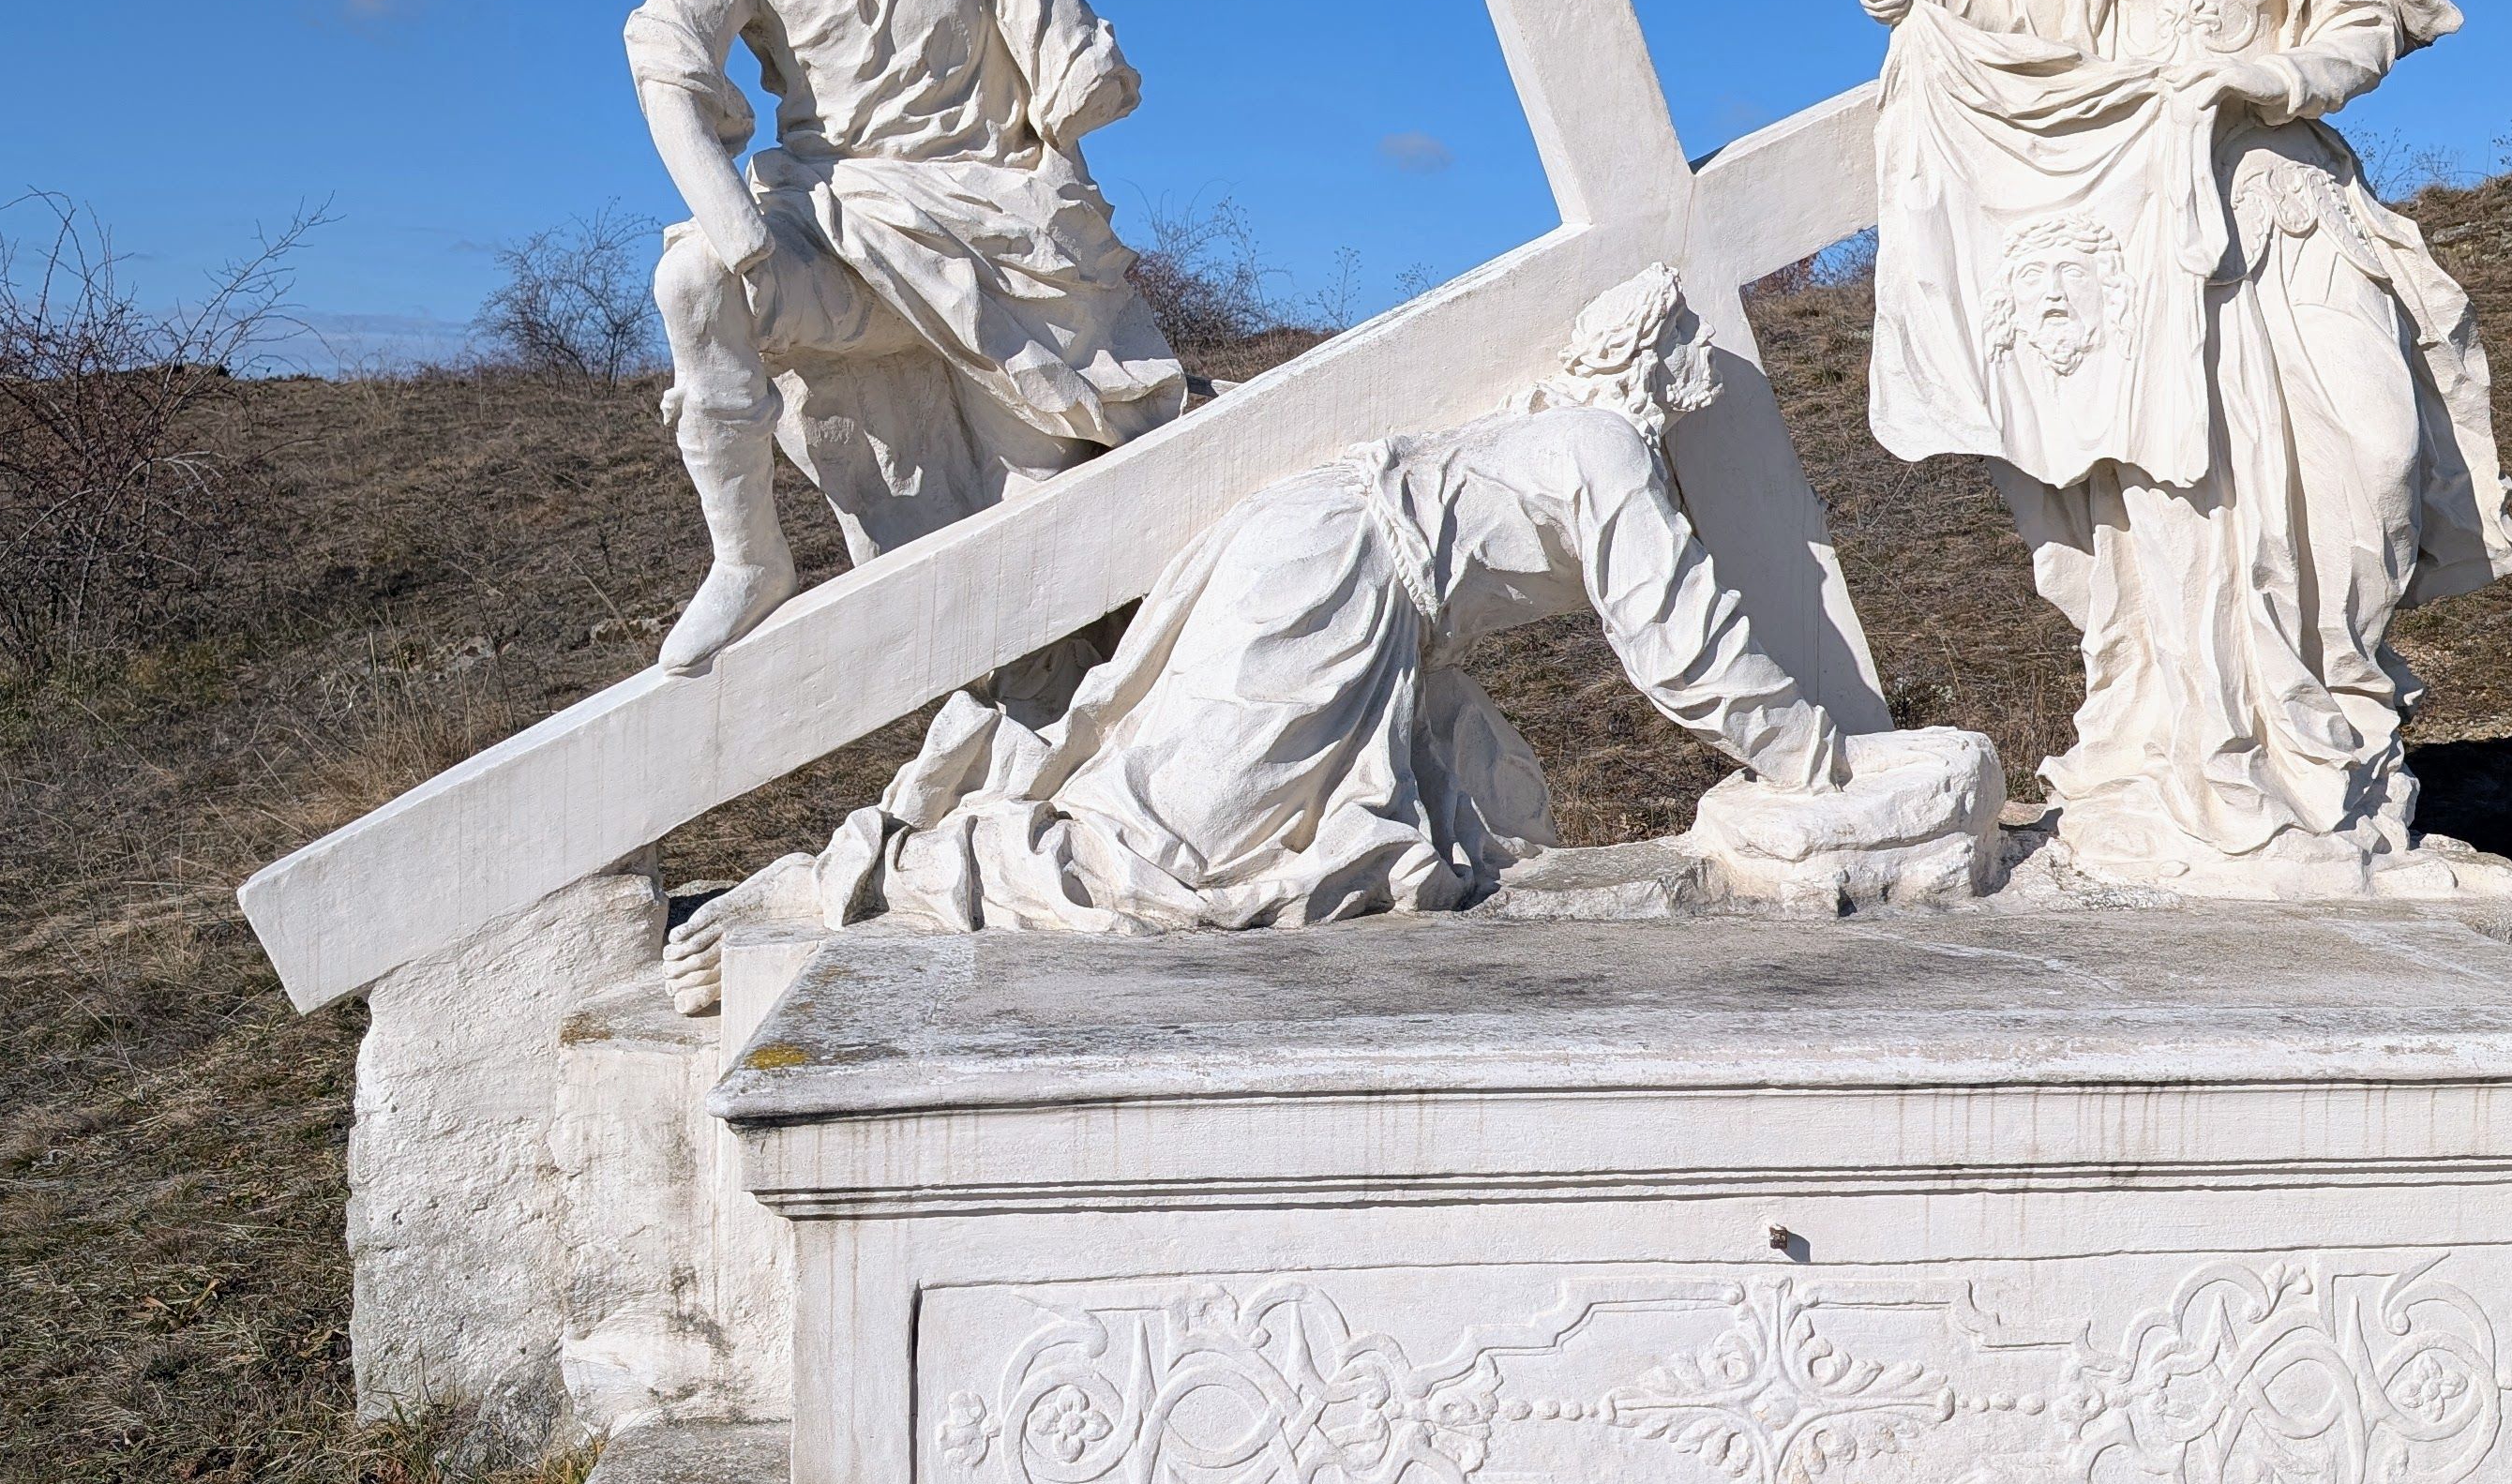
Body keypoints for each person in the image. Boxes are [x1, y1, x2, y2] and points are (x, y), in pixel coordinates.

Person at [664, 267, 1849, 983]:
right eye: (1685, 381)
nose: (1691, 410)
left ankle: (904, 864)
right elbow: (1681, 646)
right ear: (1650, 375)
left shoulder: (1541, 430)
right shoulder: (1603, 449)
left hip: (1348, 579)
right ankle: (839, 884)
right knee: (1162, 861)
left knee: (1487, 817)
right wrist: (1820, 762)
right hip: (1331, 582)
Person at [1856, 0, 2512, 894]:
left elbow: (2369, 19)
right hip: (2149, 216)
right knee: (2185, 494)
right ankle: (2204, 755)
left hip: (2278, 198)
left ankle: (2330, 730)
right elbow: (2027, 8)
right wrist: (1932, 10)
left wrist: (2266, 75)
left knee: (2374, 455)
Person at [626, 0, 1187, 675]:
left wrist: (1081, 83)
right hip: (834, 230)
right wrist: (738, 231)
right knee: (691, 280)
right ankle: (748, 559)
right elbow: (667, 68)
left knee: (1054, 546)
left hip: (1001, 244)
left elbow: (1064, 41)